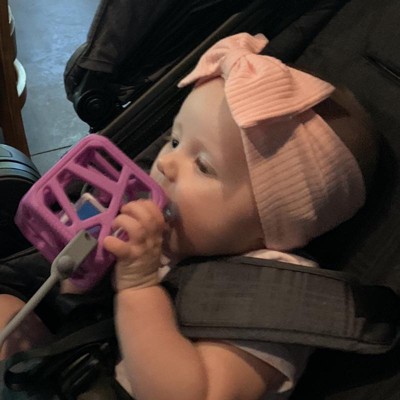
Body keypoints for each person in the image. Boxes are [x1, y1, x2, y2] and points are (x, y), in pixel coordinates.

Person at [0, 33, 378, 400]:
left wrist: (139, 287)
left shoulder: (274, 296)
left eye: (204, 166)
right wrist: (82, 279)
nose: (166, 163)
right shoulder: (172, 236)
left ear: (275, 223)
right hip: (78, 366)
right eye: (175, 141)